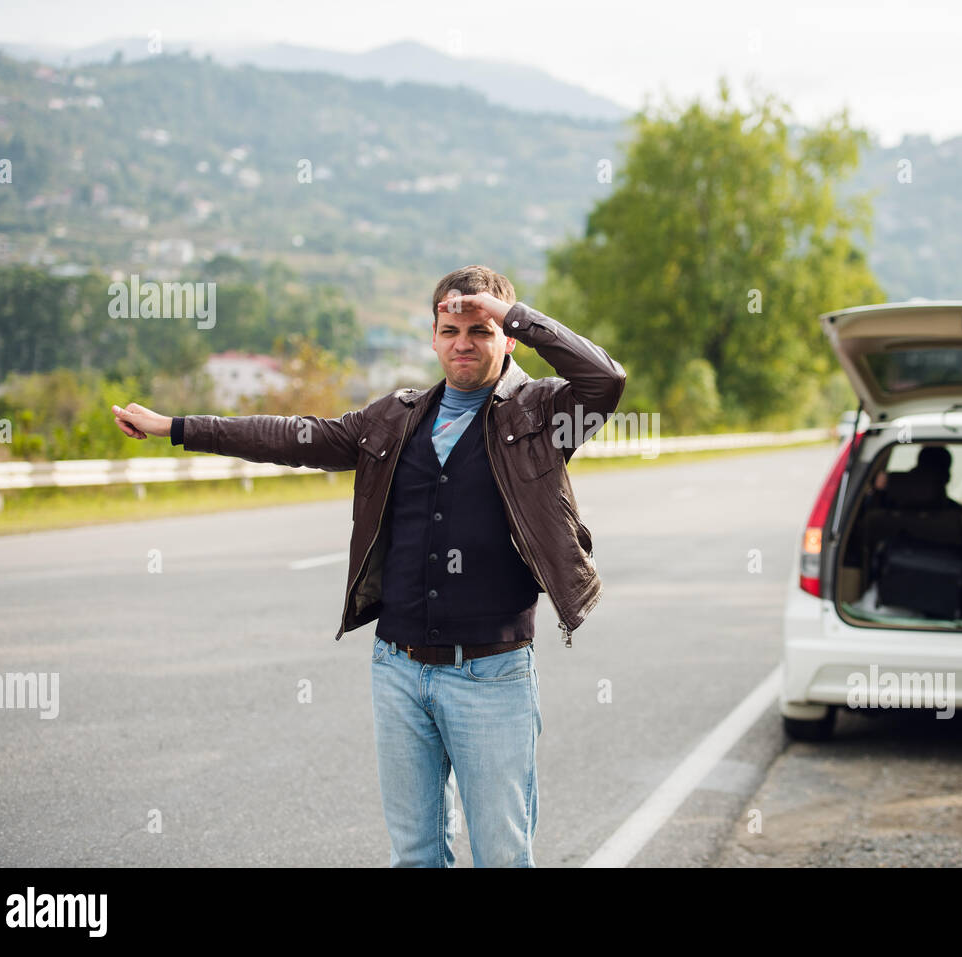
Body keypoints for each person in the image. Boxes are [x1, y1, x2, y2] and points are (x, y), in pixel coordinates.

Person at [111, 265, 626, 867]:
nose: (463, 342)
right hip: (398, 670)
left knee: (503, 857)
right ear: (433, 337)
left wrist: (514, 312)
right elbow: (290, 436)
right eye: (451, 328)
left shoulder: (541, 415)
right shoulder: (394, 418)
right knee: (414, 856)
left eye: (481, 330)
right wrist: (176, 428)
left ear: (506, 338)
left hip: (492, 674)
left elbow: (606, 380)